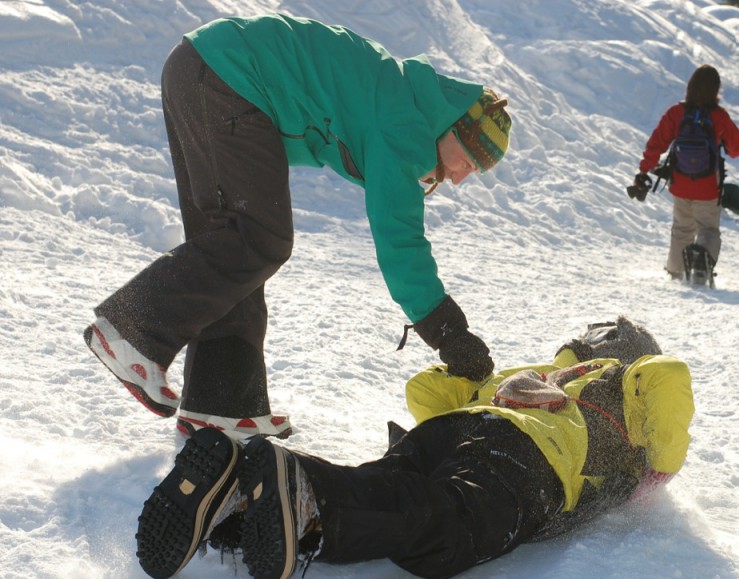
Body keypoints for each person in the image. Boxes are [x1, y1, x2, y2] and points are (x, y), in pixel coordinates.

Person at [83, 13, 511, 441]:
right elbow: (400, 241)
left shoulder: (404, 98)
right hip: (225, 76)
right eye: (470, 161)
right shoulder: (406, 125)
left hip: (204, 68)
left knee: (235, 247)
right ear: (456, 127)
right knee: (258, 236)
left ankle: (221, 405)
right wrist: (449, 332)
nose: (460, 177)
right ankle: (132, 331)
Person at [133, 317, 695, 579]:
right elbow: (670, 374)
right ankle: (300, 494)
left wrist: (471, 375)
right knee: (449, 531)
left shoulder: (527, 374)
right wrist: (660, 471)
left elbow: (424, 394)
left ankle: (240, 495)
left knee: (386, 492)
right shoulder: (620, 383)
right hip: (529, 458)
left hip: (453, 433)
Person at [633, 64, 739, 284]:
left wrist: (644, 170)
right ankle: (701, 265)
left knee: (682, 229)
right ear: (715, 90)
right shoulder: (718, 117)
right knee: (709, 230)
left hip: (681, 184)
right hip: (708, 188)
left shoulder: (676, 112)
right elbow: (736, 148)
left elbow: (656, 143)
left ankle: (676, 272)